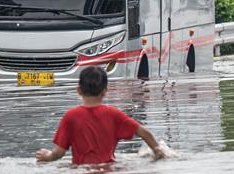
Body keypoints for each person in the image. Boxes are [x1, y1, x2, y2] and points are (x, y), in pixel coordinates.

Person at [36, 66, 167, 165]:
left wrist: (47, 156)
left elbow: (59, 153)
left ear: (78, 90)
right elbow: (144, 132)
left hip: (80, 171)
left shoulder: (70, 117)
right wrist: (157, 150)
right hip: (109, 168)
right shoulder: (114, 115)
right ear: (105, 92)